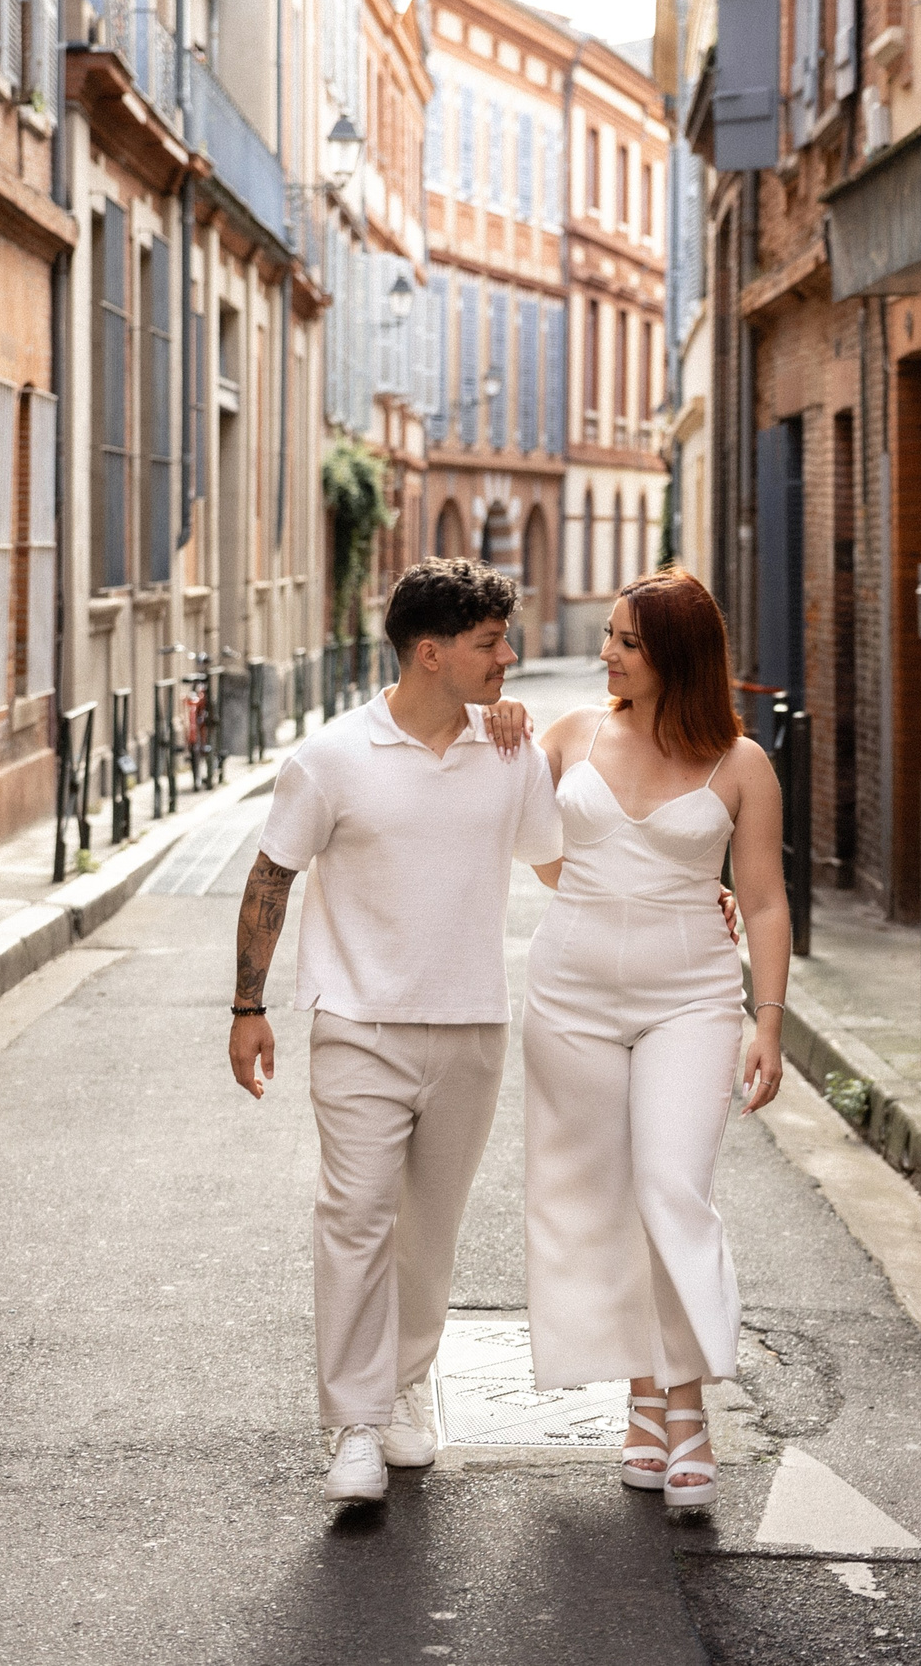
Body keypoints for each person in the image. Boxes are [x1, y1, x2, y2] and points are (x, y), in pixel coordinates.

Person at [227, 559, 560, 1505]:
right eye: (490, 643)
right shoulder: (332, 758)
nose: (509, 657)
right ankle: (356, 1426)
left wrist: (688, 897)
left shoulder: (512, 752)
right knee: (356, 1219)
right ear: (430, 653)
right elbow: (270, 879)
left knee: (431, 1231)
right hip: (358, 1025)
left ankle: (410, 1383)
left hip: (472, 1026)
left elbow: (560, 866)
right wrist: (248, 1008)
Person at [520, 568, 791, 1512]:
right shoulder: (566, 735)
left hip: (694, 999)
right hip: (570, 998)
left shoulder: (742, 764)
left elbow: (761, 899)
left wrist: (768, 1020)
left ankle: (687, 1406)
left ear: (674, 653)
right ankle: (643, 1396)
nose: (605, 654)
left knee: (671, 1187)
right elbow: (527, 840)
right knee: (601, 1198)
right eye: (607, 636)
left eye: (624, 641)